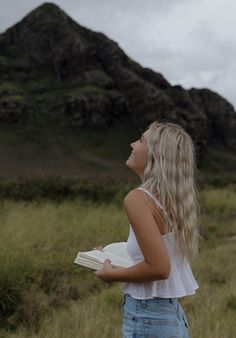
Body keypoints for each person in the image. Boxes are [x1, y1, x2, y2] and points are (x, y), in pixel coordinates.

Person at [94, 121, 201, 338]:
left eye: (141, 140)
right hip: (171, 316)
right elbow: (161, 253)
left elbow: (159, 268)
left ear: (156, 154)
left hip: (148, 317)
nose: (132, 144)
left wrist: (112, 275)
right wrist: (114, 253)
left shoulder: (138, 199)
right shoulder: (175, 200)